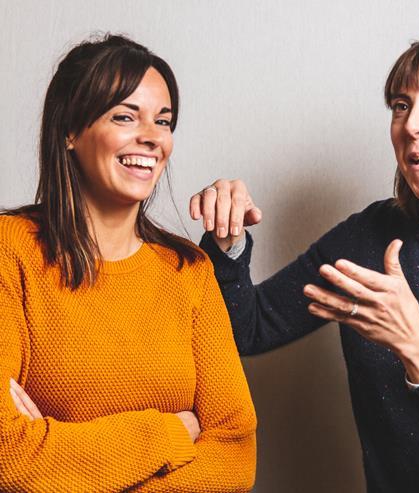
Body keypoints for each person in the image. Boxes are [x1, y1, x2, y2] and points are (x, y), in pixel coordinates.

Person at [191, 27, 419, 492]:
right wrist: (228, 241)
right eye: (401, 106)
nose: (411, 125)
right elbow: (249, 329)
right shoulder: (368, 237)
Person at [0, 34, 256, 492]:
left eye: (163, 121)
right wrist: (171, 433)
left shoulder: (190, 271)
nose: (152, 137)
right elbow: (8, 456)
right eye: (124, 116)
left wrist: (65, 461)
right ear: (70, 131)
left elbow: (235, 453)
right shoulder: (9, 250)